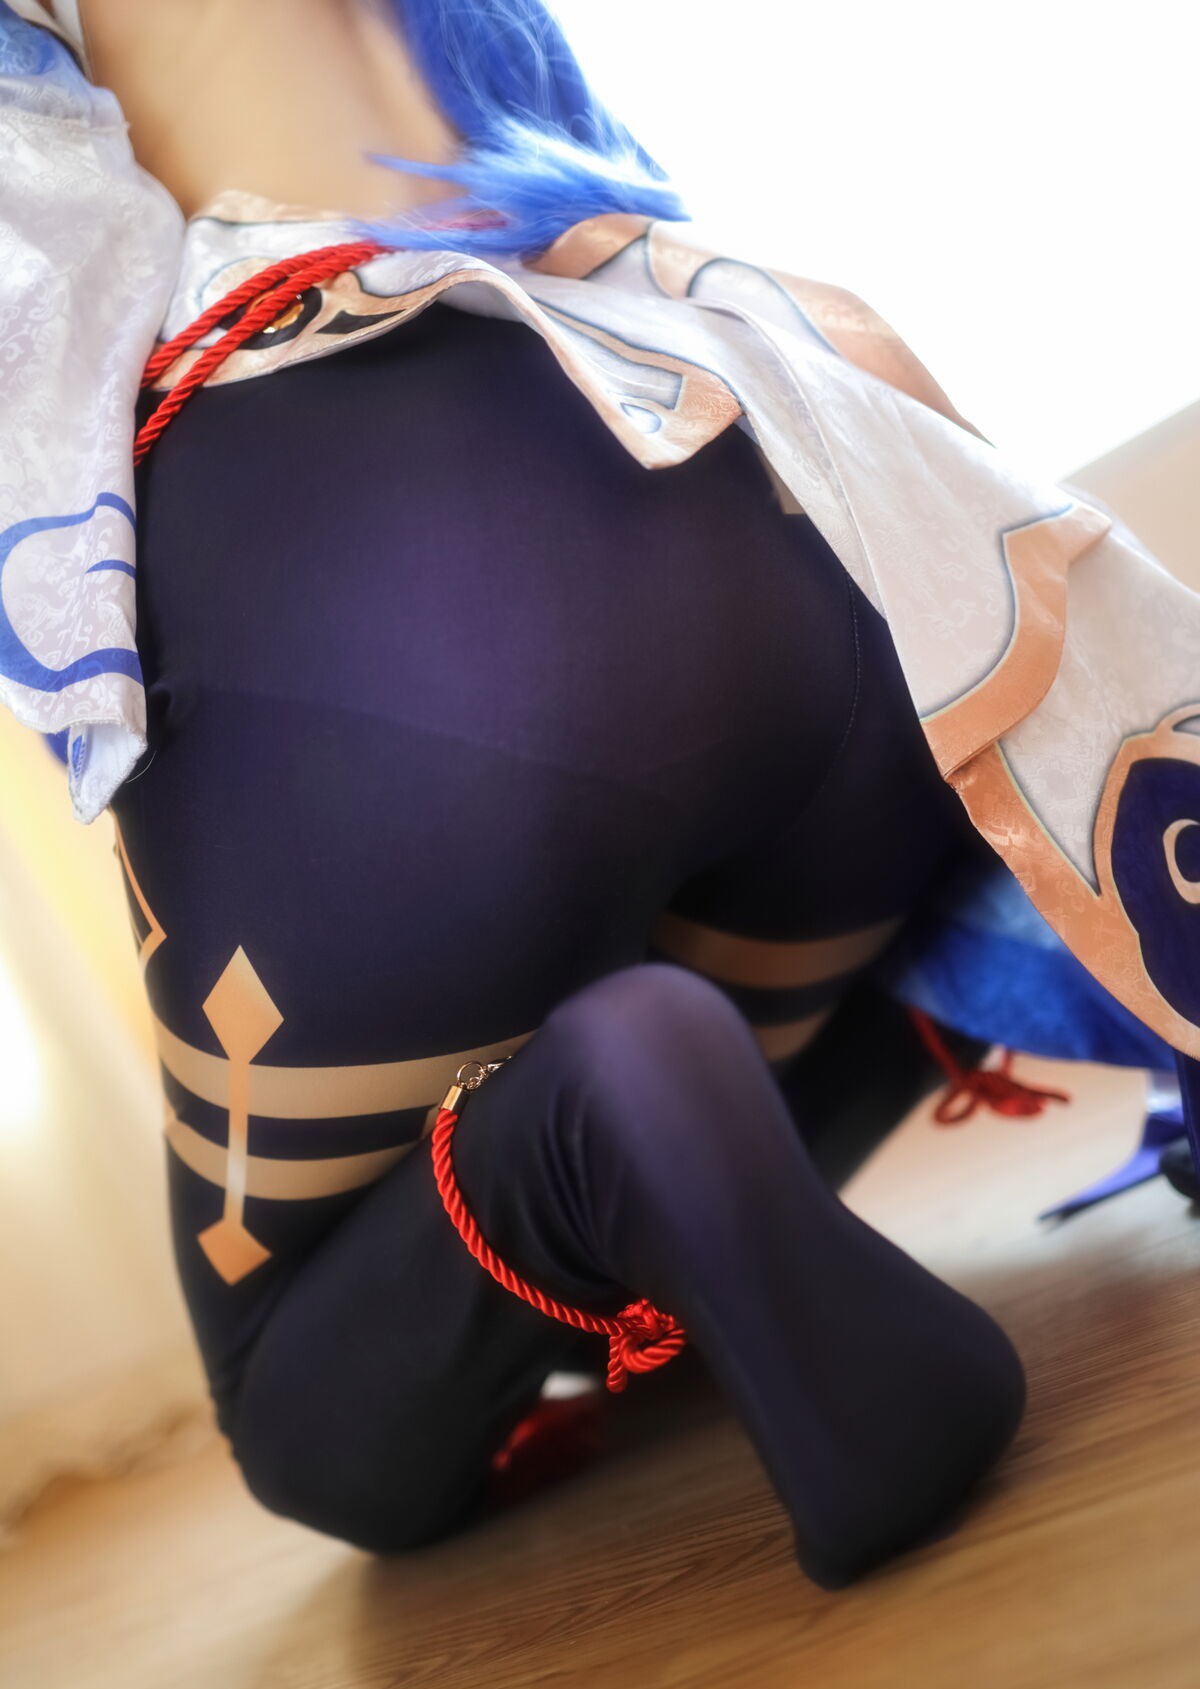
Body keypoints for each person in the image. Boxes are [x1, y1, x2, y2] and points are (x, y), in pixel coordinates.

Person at [4, 0, 1194, 1586]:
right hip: (751, 443)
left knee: (295, 1403)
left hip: (374, 530)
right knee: (687, 991)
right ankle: (770, 1104)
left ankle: (615, 1110)